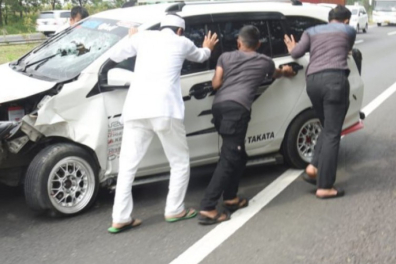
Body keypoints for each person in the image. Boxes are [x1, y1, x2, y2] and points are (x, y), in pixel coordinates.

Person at [106, 15, 218, 234]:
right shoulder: (182, 42)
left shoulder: (143, 37)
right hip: (165, 110)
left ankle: (120, 218)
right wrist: (208, 47)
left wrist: (131, 39)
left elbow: (115, 54)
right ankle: (175, 209)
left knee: (127, 166)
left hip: (136, 110)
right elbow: (200, 56)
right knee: (179, 161)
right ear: (179, 31)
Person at [198, 26, 296, 225]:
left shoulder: (225, 57)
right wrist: (286, 71)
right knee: (229, 156)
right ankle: (208, 207)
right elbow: (277, 74)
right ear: (259, 44)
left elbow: (216, 84)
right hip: (237, 110)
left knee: (239, 155)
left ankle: (231, 198)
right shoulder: (265, 62)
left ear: (238, 43)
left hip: (219, 108)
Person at [285, 5, 356, 199]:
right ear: (347, 20)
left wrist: (292, 48)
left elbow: (296, 53)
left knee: (327, 126)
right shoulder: (349, 30)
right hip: (335, 81)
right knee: (333, 133)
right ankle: (325, 186)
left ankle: (313, 167)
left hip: (313, 83)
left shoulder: (311, 31)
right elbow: (347, 50)